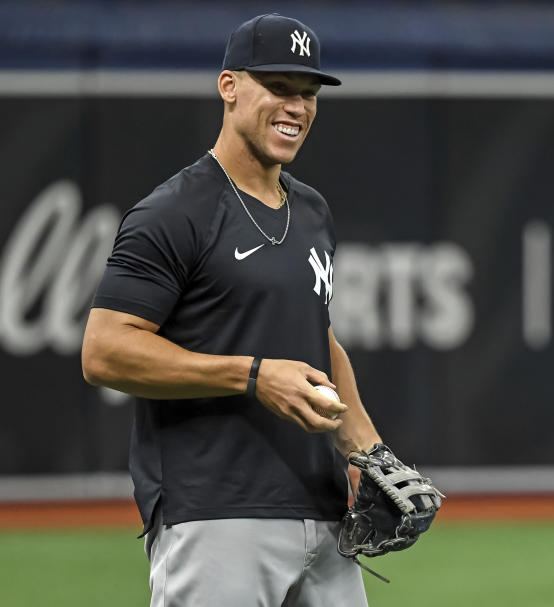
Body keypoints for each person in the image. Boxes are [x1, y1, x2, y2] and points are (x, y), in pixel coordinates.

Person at [81, 14, 379, 606]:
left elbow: (316, 336)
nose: (296, 106)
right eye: (278, 87)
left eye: (308, 94)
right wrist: (252, 375)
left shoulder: (312, 211)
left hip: (322, 514)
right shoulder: (175, 211)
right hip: (217, 512)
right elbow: (105, 350)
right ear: (229, 87)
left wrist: (367, 452)